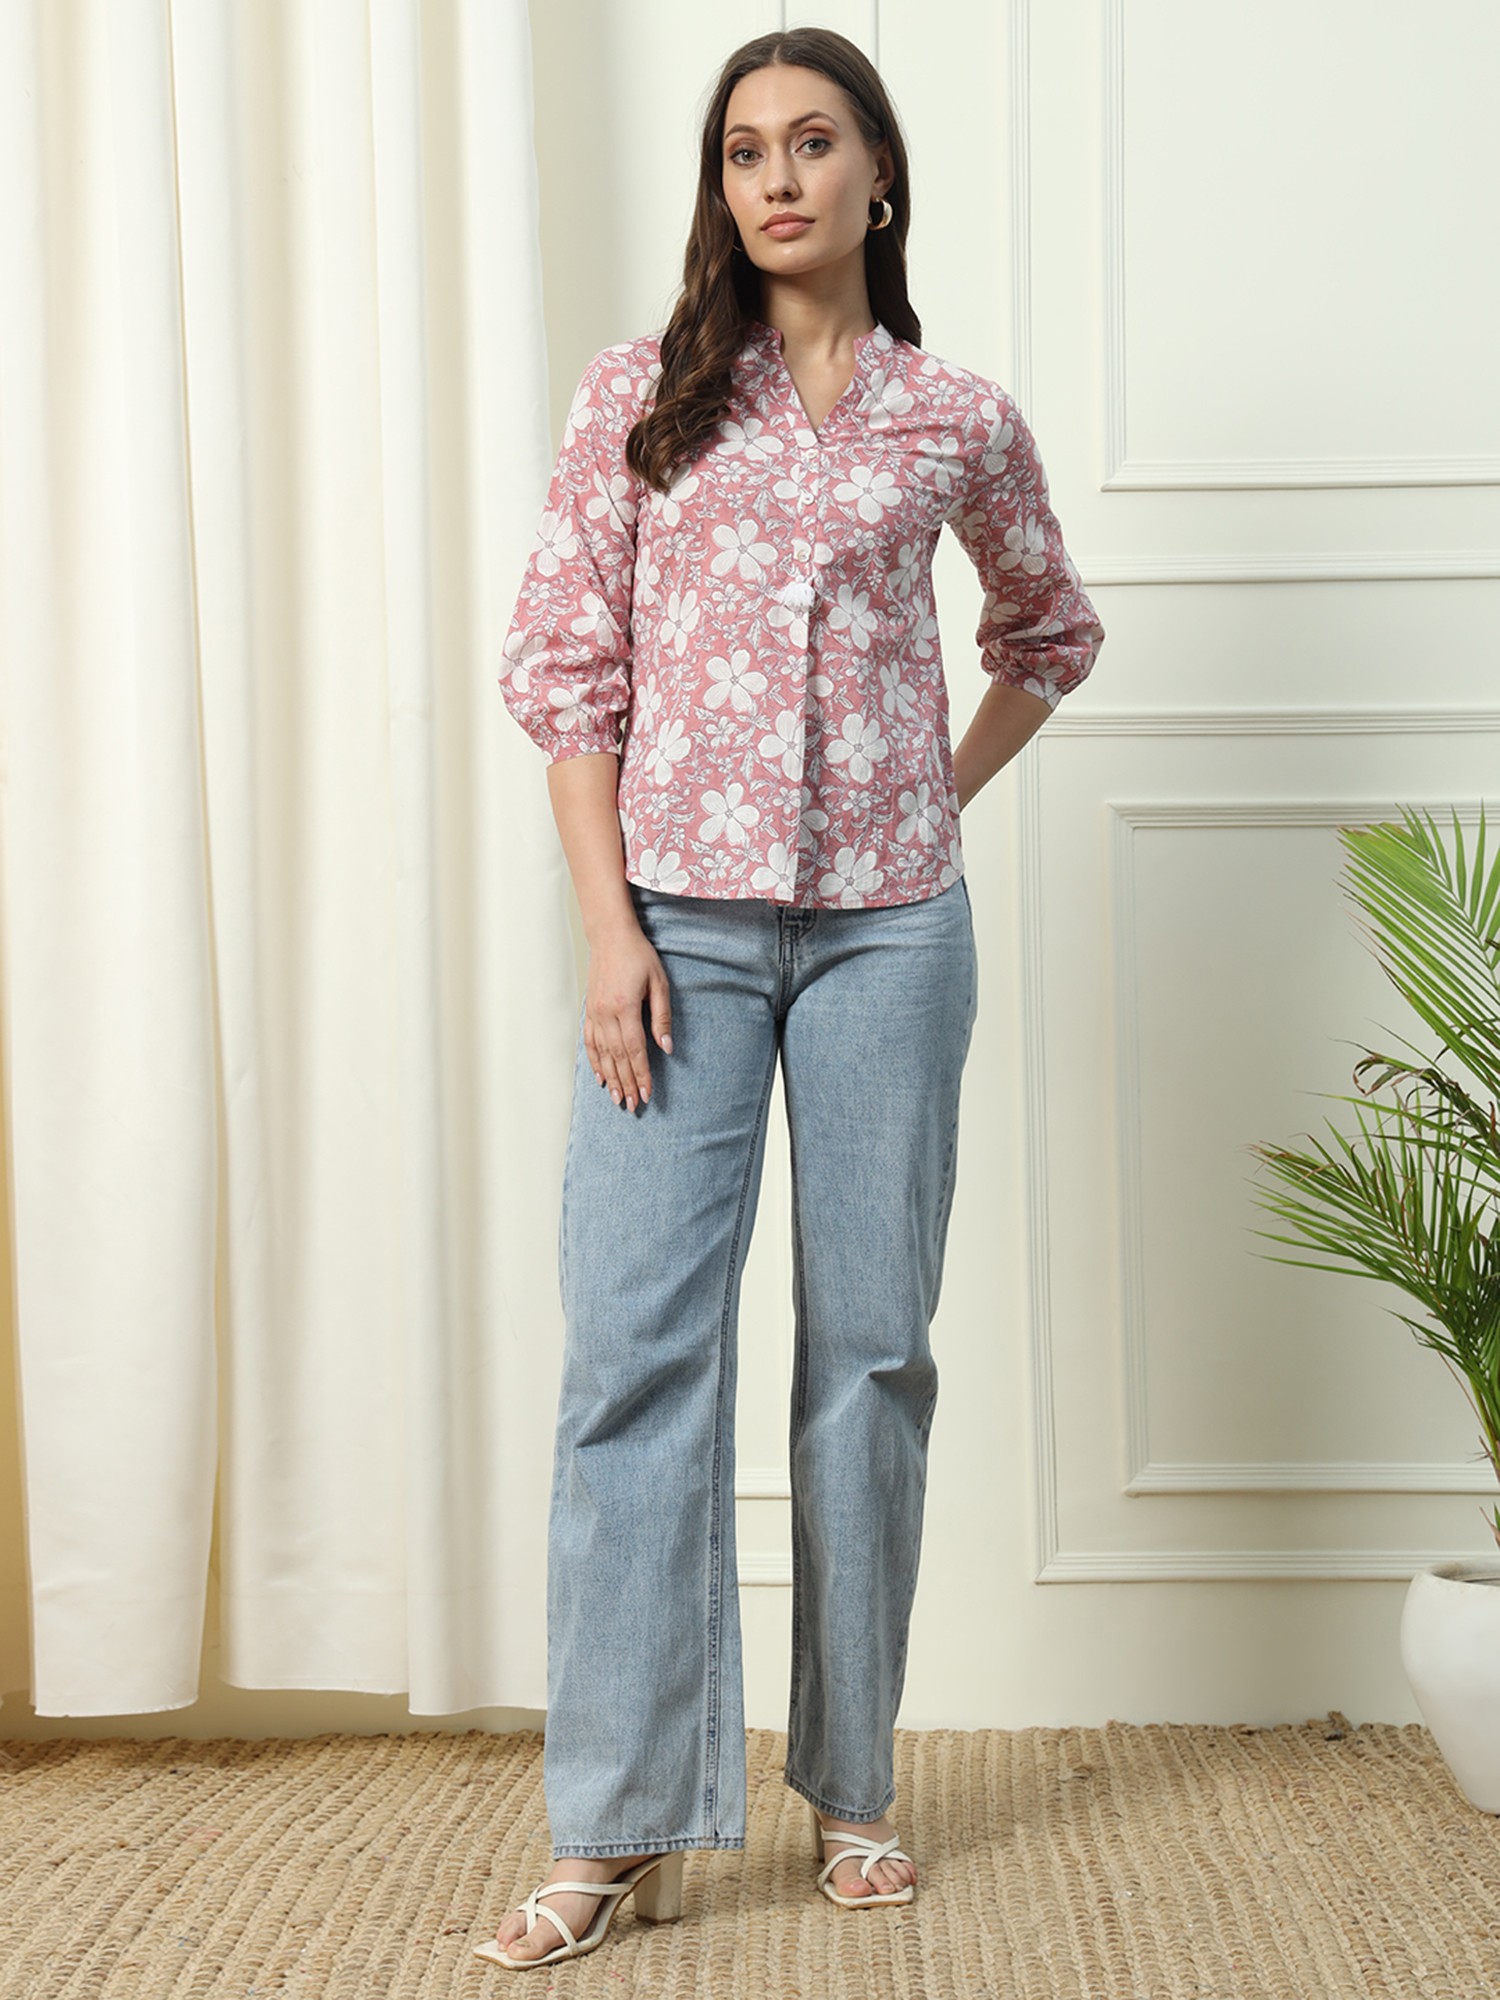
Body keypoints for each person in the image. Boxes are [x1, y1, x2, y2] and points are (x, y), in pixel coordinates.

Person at [475, 24, 1105, 1973]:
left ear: (876, 172)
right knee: (634, 1358)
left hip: (890, 935)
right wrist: (610, 932)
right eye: (745, 149)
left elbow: (1049, 629)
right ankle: (619, 1821)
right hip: (675, 928)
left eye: (813, 142)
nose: (777, 178)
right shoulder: (643, 399)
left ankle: (853, 1786)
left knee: (869, 1353)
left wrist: (934, 791)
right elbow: (565, 672)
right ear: (721, 184)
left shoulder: (955, 418)